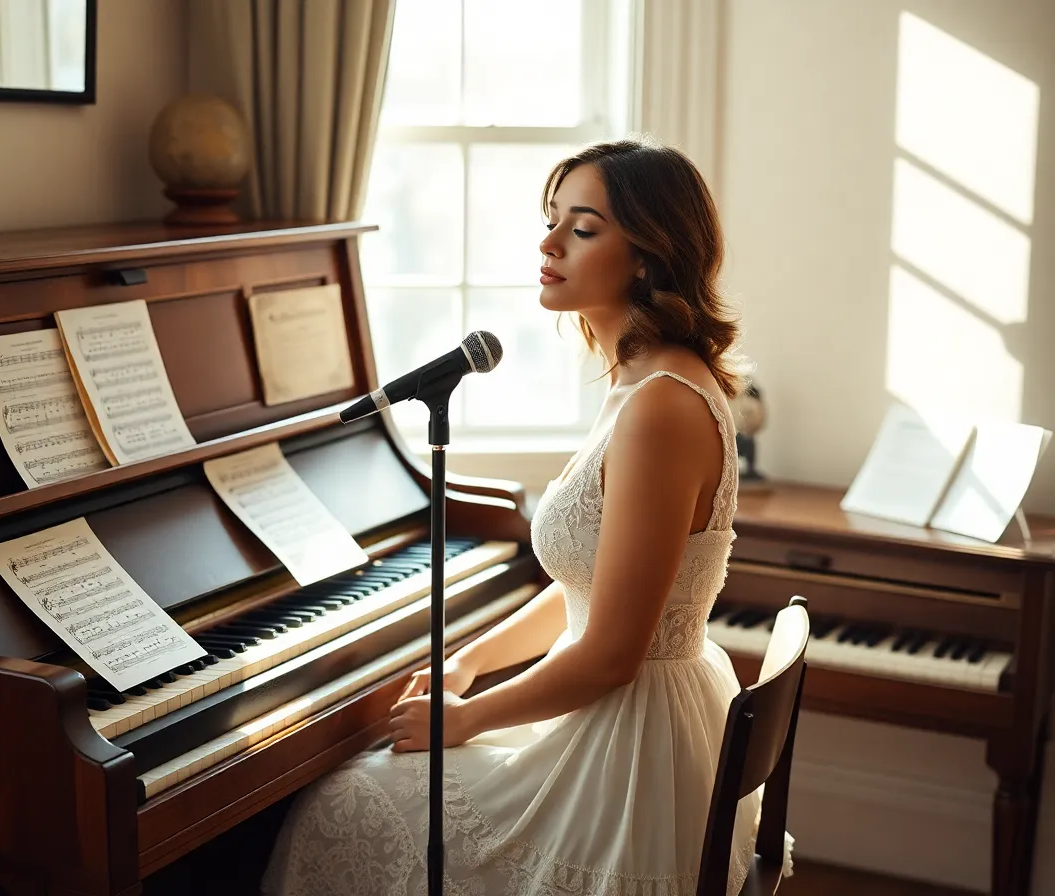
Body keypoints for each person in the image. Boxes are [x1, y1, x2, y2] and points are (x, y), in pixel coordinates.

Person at [261, 135, 793, 896]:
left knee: (339, 804)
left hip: (628, 753)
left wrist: (466, 719)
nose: (549, 244)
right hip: (624, 714)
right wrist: (469, 661)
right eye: (552, 221)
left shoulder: (660, 407)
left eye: (583, 228)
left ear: (647, 257)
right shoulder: (641, 379)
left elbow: (610, 654)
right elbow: (595, 589)